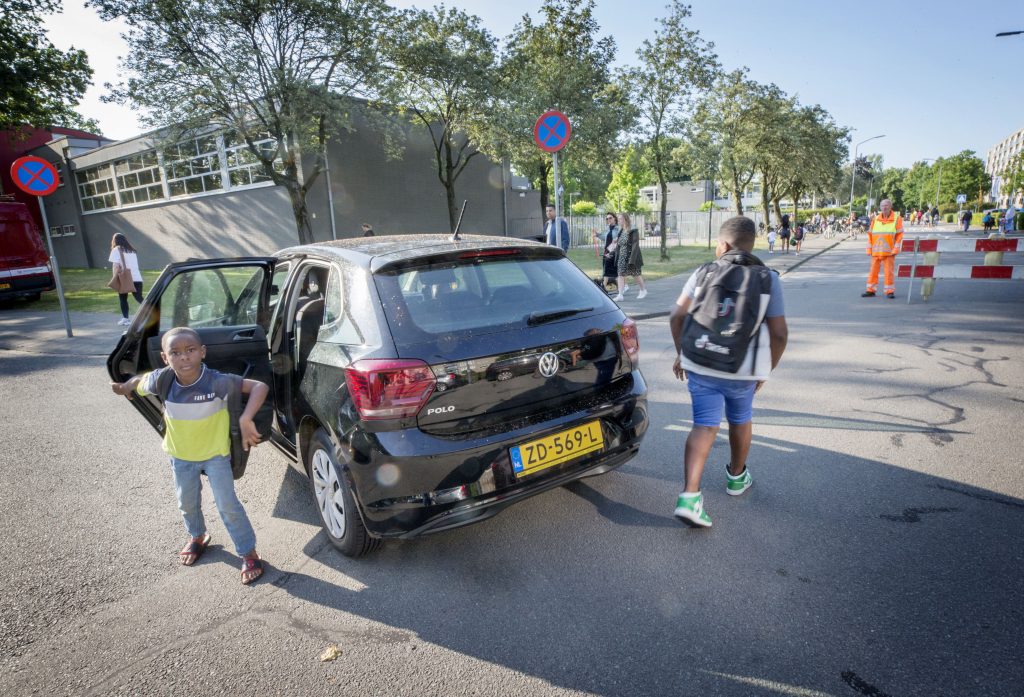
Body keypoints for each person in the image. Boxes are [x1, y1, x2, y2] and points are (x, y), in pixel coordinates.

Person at [110, 327, 270, 584]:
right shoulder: (162, 379)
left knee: (227, 504)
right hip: (181, 456)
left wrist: (246, 417)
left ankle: (248, 551)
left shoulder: (216, 381)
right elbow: (136, 382)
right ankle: (197, 536)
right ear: (165, 358)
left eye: (190, 350)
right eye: (175, 352)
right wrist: (123, 387)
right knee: (186, 502)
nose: (184, 357)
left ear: (202, 352)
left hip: (215, 455)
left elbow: (259, 387)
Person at [668, 216, 788, 528]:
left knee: (704, 426)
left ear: (722, 245)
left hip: (701, 363)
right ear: (752, 245)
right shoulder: (768, 278)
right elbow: (778, 334)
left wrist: (683, 354)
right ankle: (736, 477)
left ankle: (689, 498)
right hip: (743, 368)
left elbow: (676, 315)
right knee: (740, 418)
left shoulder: (704, 271)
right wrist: (766, 369)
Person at [862, 198, 903, 299]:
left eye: (886, 205)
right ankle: (870, 290)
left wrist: (896, 249)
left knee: (889, 272)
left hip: (889, 252)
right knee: (872, 272)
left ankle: (889, 291)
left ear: (890, 207)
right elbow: (870, 234)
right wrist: (869, 249)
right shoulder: (875, 219)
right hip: (876, 251)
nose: (884, 207)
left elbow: (899, 235)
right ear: (880, 207)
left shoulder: (897, 219)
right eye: (882, 206)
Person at [109, 234, 144, 326]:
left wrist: (114, 278)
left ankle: (126, 319)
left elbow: (116, 266)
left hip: (124, 278)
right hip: (137, 277)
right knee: (139, 298)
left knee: (123, 299)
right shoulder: (132, 250)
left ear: (114, 240)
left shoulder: (116, 250)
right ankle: (152, 313)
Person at [612, 212, 647, 301]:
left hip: (631, 256)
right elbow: (620, 245)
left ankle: (643, 290)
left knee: (635, 274)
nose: (618, 220)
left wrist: (632, 260)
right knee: (620, 274)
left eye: (620, 219)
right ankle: (620, 295)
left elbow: (635, 245)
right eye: (618, 219)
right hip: (621, 257)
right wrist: (611, 252)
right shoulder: (621, 231)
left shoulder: (633, 230)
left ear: (625, 219)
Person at [592, 213, 620, 290]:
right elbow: (605, 237)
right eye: (607, 219)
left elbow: (619, 240)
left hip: (614, 252)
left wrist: (611, 250)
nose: (608, 220)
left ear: (614, 218)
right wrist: (597, 235)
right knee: (607, 270)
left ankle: (603, 287)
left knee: (610, 270)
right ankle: (606, 287)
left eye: (610, 218)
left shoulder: (618, 229)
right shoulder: (608, 229)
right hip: (606, 251)